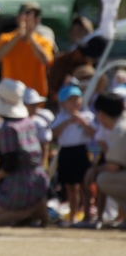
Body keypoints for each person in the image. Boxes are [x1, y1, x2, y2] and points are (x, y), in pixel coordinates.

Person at [0, 79, 49, 226]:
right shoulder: (27, 122)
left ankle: (26, 213)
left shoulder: (8, 127)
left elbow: (11, 163)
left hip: (19, 184)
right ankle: (31, 212)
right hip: (37, 180)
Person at [51, 85, 97, 225]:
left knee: (85, 185)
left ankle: (87, 216)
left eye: (76, 99)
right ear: (63, 103)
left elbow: (93, 133)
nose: (74, 102)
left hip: (81, 151)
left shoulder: (87, 116)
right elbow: (53, 134)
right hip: (65, 151)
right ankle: (73, 216)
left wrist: (81, 120)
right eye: (70, 100)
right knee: (70, 186)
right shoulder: (60, 117)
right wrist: (68, 121)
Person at [0, 2, 54, 97]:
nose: (31, 18)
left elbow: (46, 61)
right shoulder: (5, 38)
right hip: (11, 96)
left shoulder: (44, 42)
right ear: (18, 18)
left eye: (35, 15)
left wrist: (30, 36)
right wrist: (18, 36)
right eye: (27, 14)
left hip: (35, 97)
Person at [85, 93, 126, 222]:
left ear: (101, 114)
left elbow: (113, 167)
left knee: (104, 179)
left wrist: (94, 170)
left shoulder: (120, 129)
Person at [48, 35, 108, 108]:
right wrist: (63, 102)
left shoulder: (89, 64)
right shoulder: (62, 62)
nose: (78, 55)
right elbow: (53, 89)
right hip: (60, 105)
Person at [23, 88, 52, 167]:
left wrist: (42, 163)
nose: (35, 107)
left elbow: (44, 145)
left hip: (37, 161)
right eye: (32, 105)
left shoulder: (40, 123)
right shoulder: (17, 122)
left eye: (36, 104)